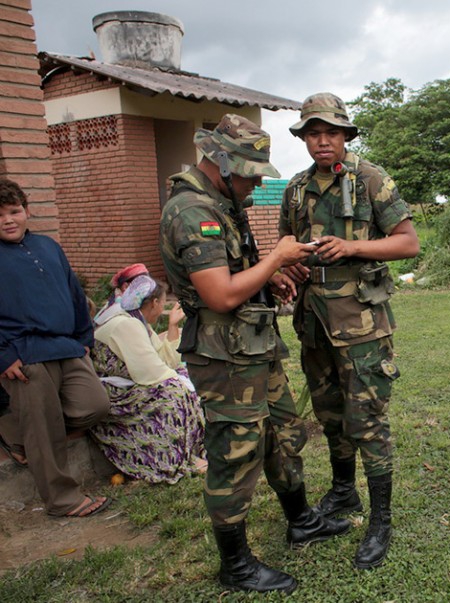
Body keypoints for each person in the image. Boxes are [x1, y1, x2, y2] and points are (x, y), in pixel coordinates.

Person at [160, 114, 349, 594]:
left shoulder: (223, 201)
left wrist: (270, 276)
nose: (250, 185)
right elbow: (220, 295)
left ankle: (301, 520)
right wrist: (275, 261)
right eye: (247, 174)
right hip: (224, 357)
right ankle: (236, 565)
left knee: (284, 434)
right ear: (221, 162)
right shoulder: (191, 211)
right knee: (236, 454)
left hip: (255, 346)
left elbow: (238, 270)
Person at [279, 92, 420, 570]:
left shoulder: (370, 179)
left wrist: (354, 247)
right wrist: (288, 269)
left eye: (331, 133)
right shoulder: (296, 188)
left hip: (360, 325)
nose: (323, 141)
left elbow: (407, 243)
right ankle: (344, 494)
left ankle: (381, 520)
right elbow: (286, 247)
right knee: (331, 415)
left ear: (345, 136)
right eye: (313, 133)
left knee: (368, 421)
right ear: (304, 138)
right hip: (313, 322)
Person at [0, 177, 112, 517]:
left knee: (96, 406)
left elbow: (76, 295)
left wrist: (84, 339)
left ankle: (15, 430)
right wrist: (3, 355)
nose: (8, 220)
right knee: (42, 424)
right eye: (0, 214)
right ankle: (62, 499)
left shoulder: (49, 247)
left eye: (14, 211)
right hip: (24, 353)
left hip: (66, 346)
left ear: (27, 212)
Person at [91, 274, 206, 483]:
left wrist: (172, 326)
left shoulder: (137, 320)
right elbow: (149, 373)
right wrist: (181, 382)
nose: (162, 308)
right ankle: (174, 459)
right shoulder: (126, 324)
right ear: (154, 303)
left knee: (190, 377)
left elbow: (165, 360)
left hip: (132, 384)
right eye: (162, 303)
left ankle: (194, 451)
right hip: (117, 394)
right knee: (174, 393)